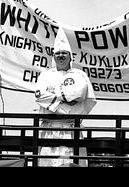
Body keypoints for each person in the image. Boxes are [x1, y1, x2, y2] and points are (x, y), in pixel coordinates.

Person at [35, 27, 97, 167]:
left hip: (71, 129)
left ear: (70, 56)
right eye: (58, 53)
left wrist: (54, 93)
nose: (61, 56)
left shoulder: (79, 75)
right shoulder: (45, 75)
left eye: (64, 53)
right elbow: (39, 95)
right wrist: (65, 102)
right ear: (53, 56)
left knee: (71, 163)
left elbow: (81, 94)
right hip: (49, 130)